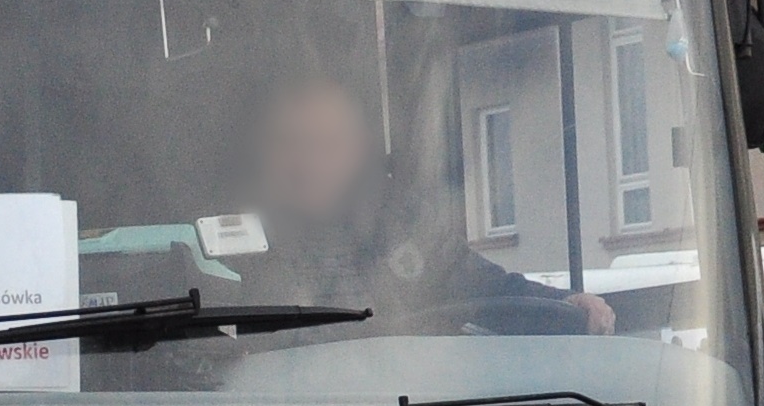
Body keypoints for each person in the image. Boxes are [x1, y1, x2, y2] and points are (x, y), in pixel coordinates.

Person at [234, 32, 614, 336]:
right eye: (289, 142)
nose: (310, 164)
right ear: (257, 149)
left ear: (358, 150)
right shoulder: (221, 249)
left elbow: (483, 290)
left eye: (329, 144)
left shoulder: (401, 224)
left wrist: (567, 304)